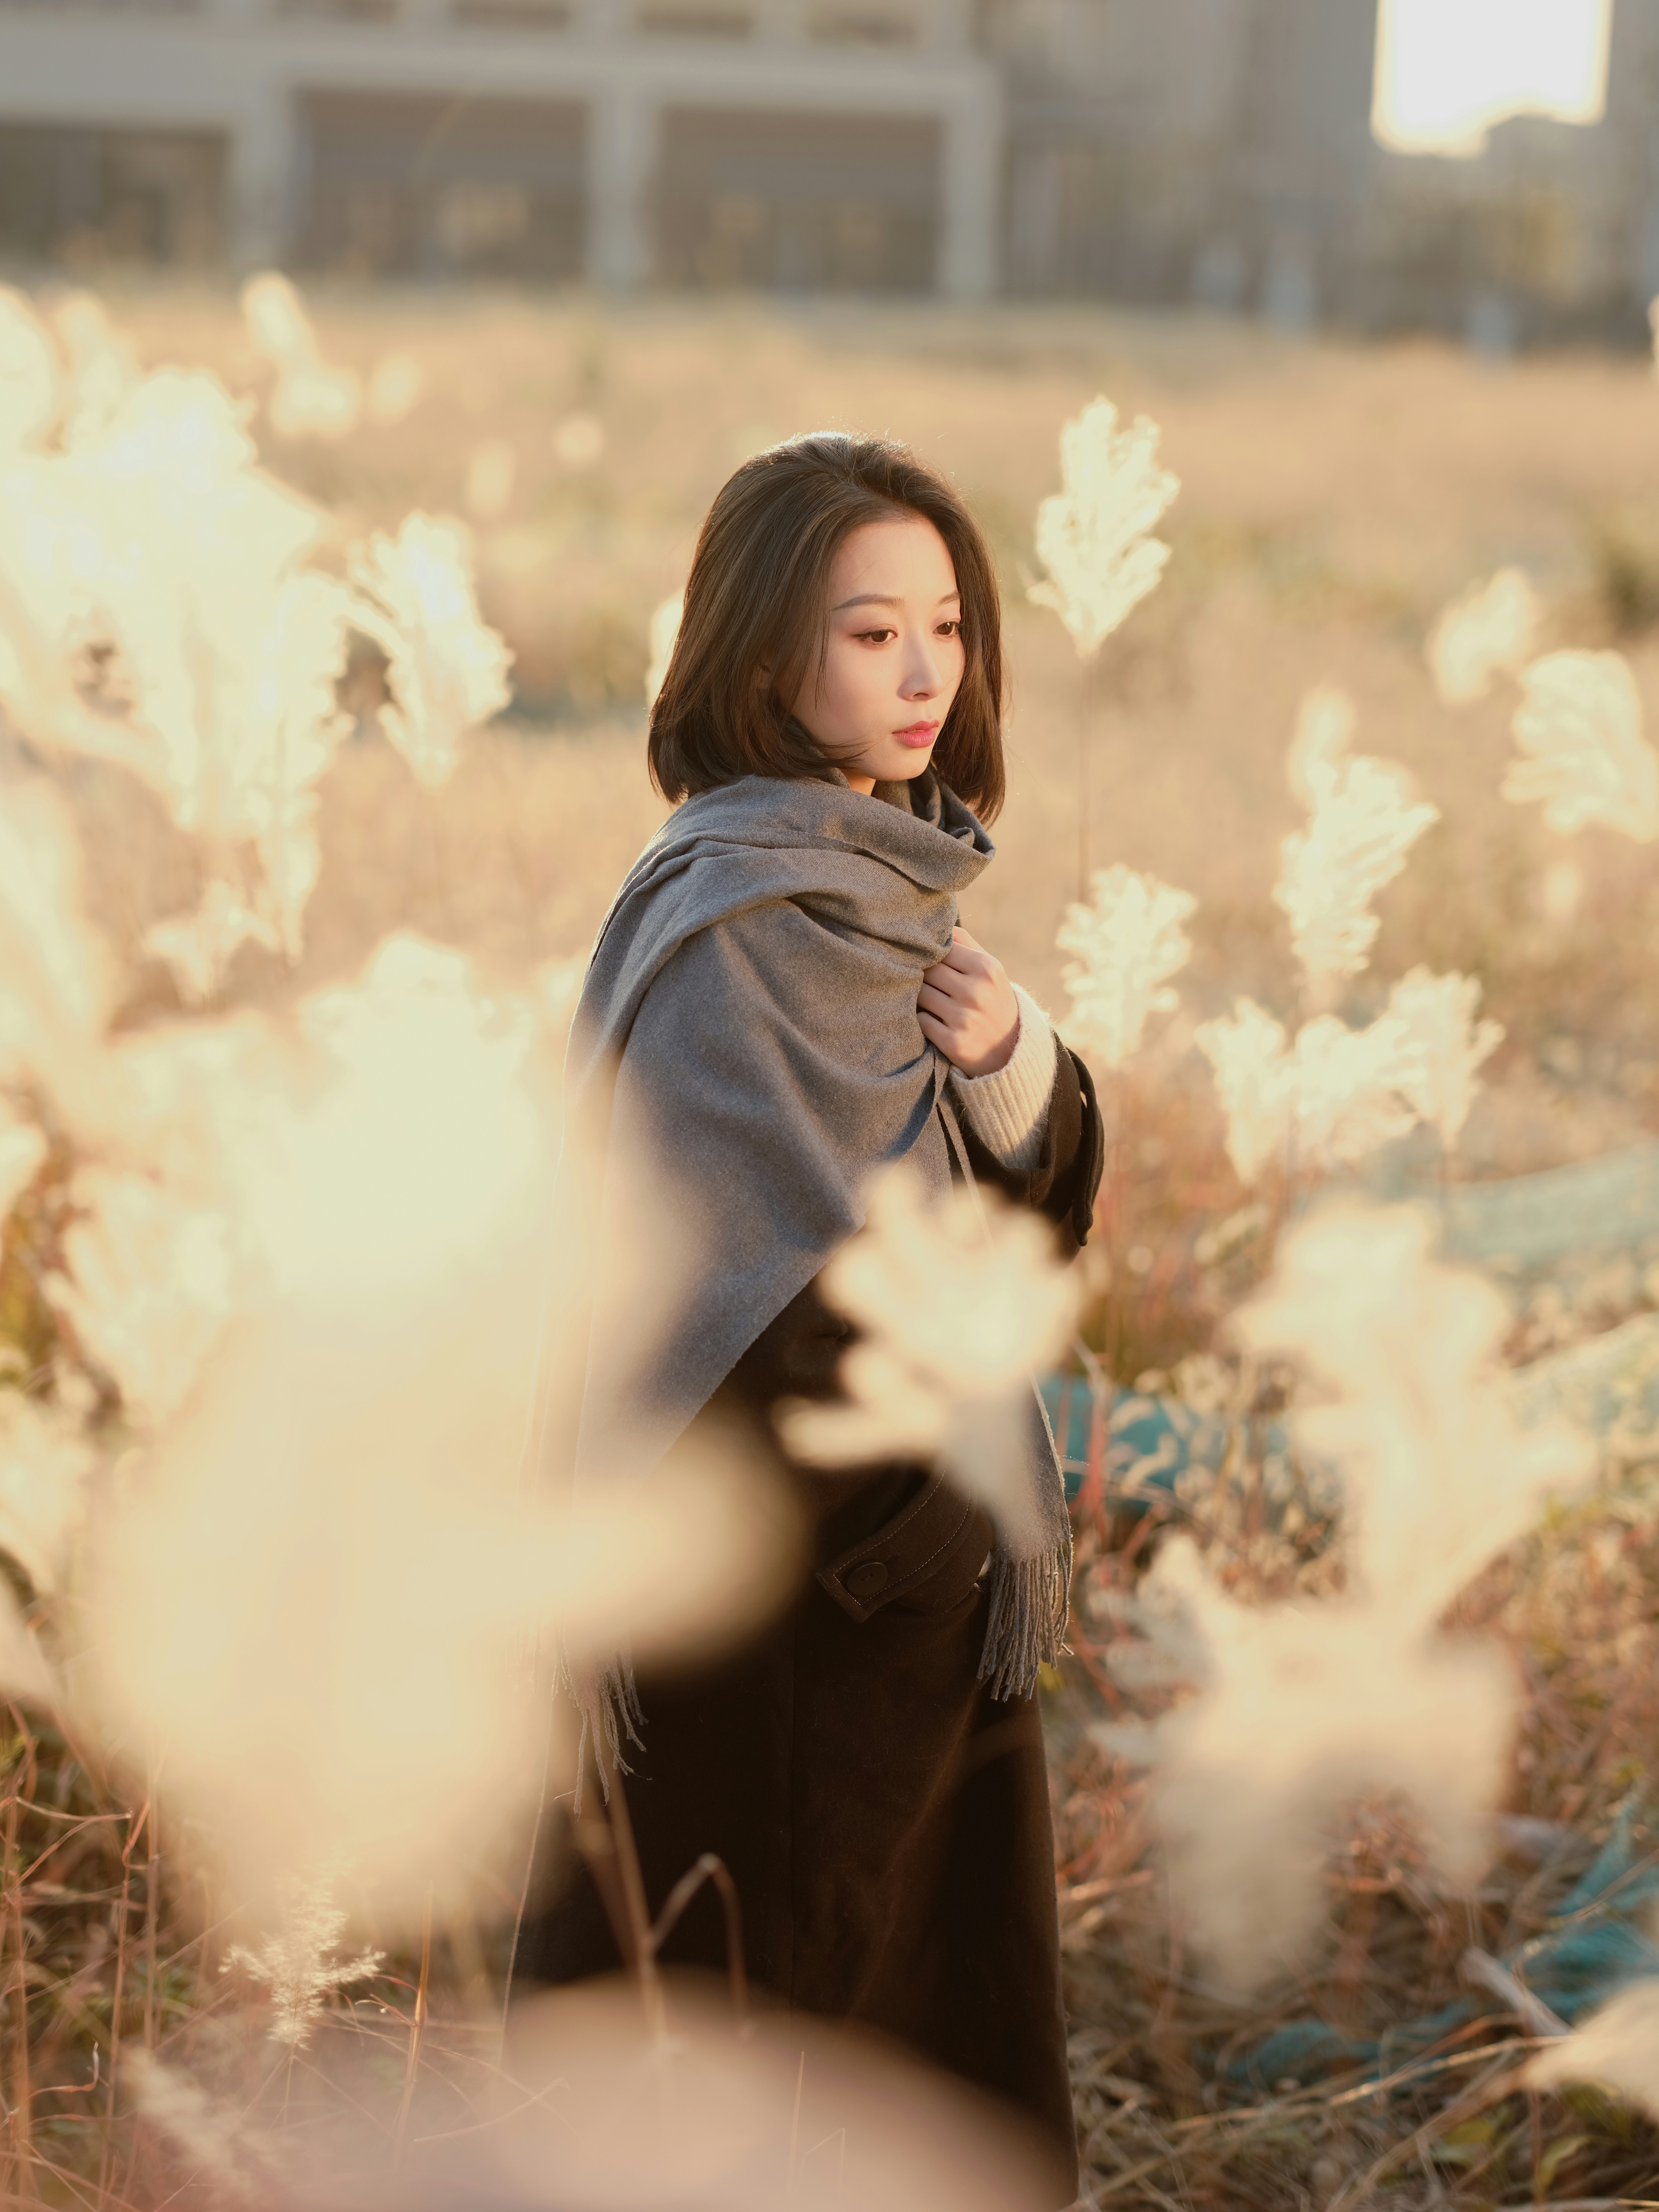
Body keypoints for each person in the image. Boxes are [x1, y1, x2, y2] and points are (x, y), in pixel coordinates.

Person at [514, 431, 1104, 2204]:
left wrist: (1018, 1063)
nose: (928, 674)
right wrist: (918, 1511)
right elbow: (722, 1299)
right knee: (767, 2063)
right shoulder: (737, 918)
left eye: (949, 628)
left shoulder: (894, 895)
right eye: (872, 633)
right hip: (778, 1612)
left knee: (908, 2059)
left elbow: (1008, 1233)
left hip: (905, 1604)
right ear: (767, 652)